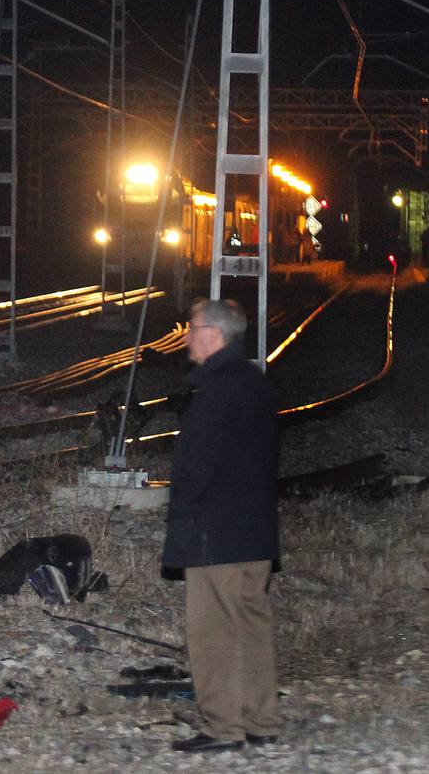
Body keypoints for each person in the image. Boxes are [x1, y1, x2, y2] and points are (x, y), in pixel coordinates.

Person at [164, 298, 281, 753]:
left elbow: (199, 466)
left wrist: (184, 517)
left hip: (217, 533)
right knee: (251, 625)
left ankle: (222, 728)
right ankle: (261, 719)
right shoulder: (256, 382)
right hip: (255, 533)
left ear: (214, 333)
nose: (186, 336)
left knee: (212, 632)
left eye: (191, 328)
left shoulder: (217, 392)